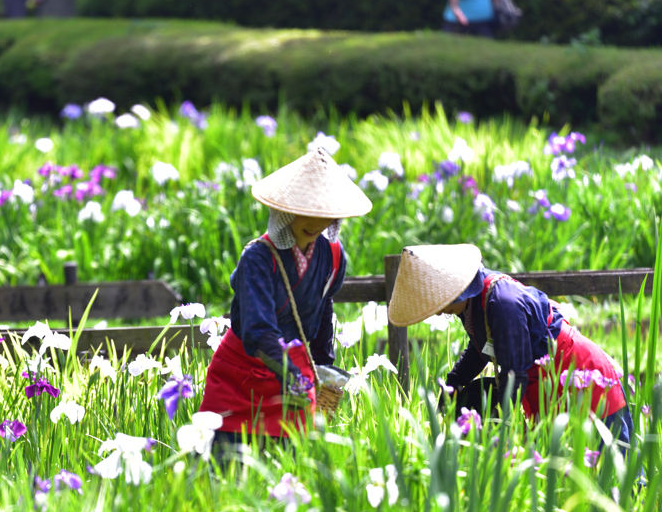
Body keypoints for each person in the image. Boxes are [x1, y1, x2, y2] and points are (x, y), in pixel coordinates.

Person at [199, 148, 373, 453]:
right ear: (286, 210)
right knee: (225, 468)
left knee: (287, 470)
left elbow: (323, 307)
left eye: (323, 212)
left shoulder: (332, 255)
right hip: (240, 375)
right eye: (305, 210)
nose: (315, 222)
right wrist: (295, 377)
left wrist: (322, 366)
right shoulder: (257, 258)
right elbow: (257, 330)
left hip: (296, 378)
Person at [387, 244, 633, 448]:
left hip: (580, 375)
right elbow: (483, 346)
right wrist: (454, 382)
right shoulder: (473, 303)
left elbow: (513, 374)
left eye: (438, 303)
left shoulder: (503, 303)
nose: (439, 312)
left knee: (613, 471)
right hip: (547, 383)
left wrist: (508, 431)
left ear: (454, 290)